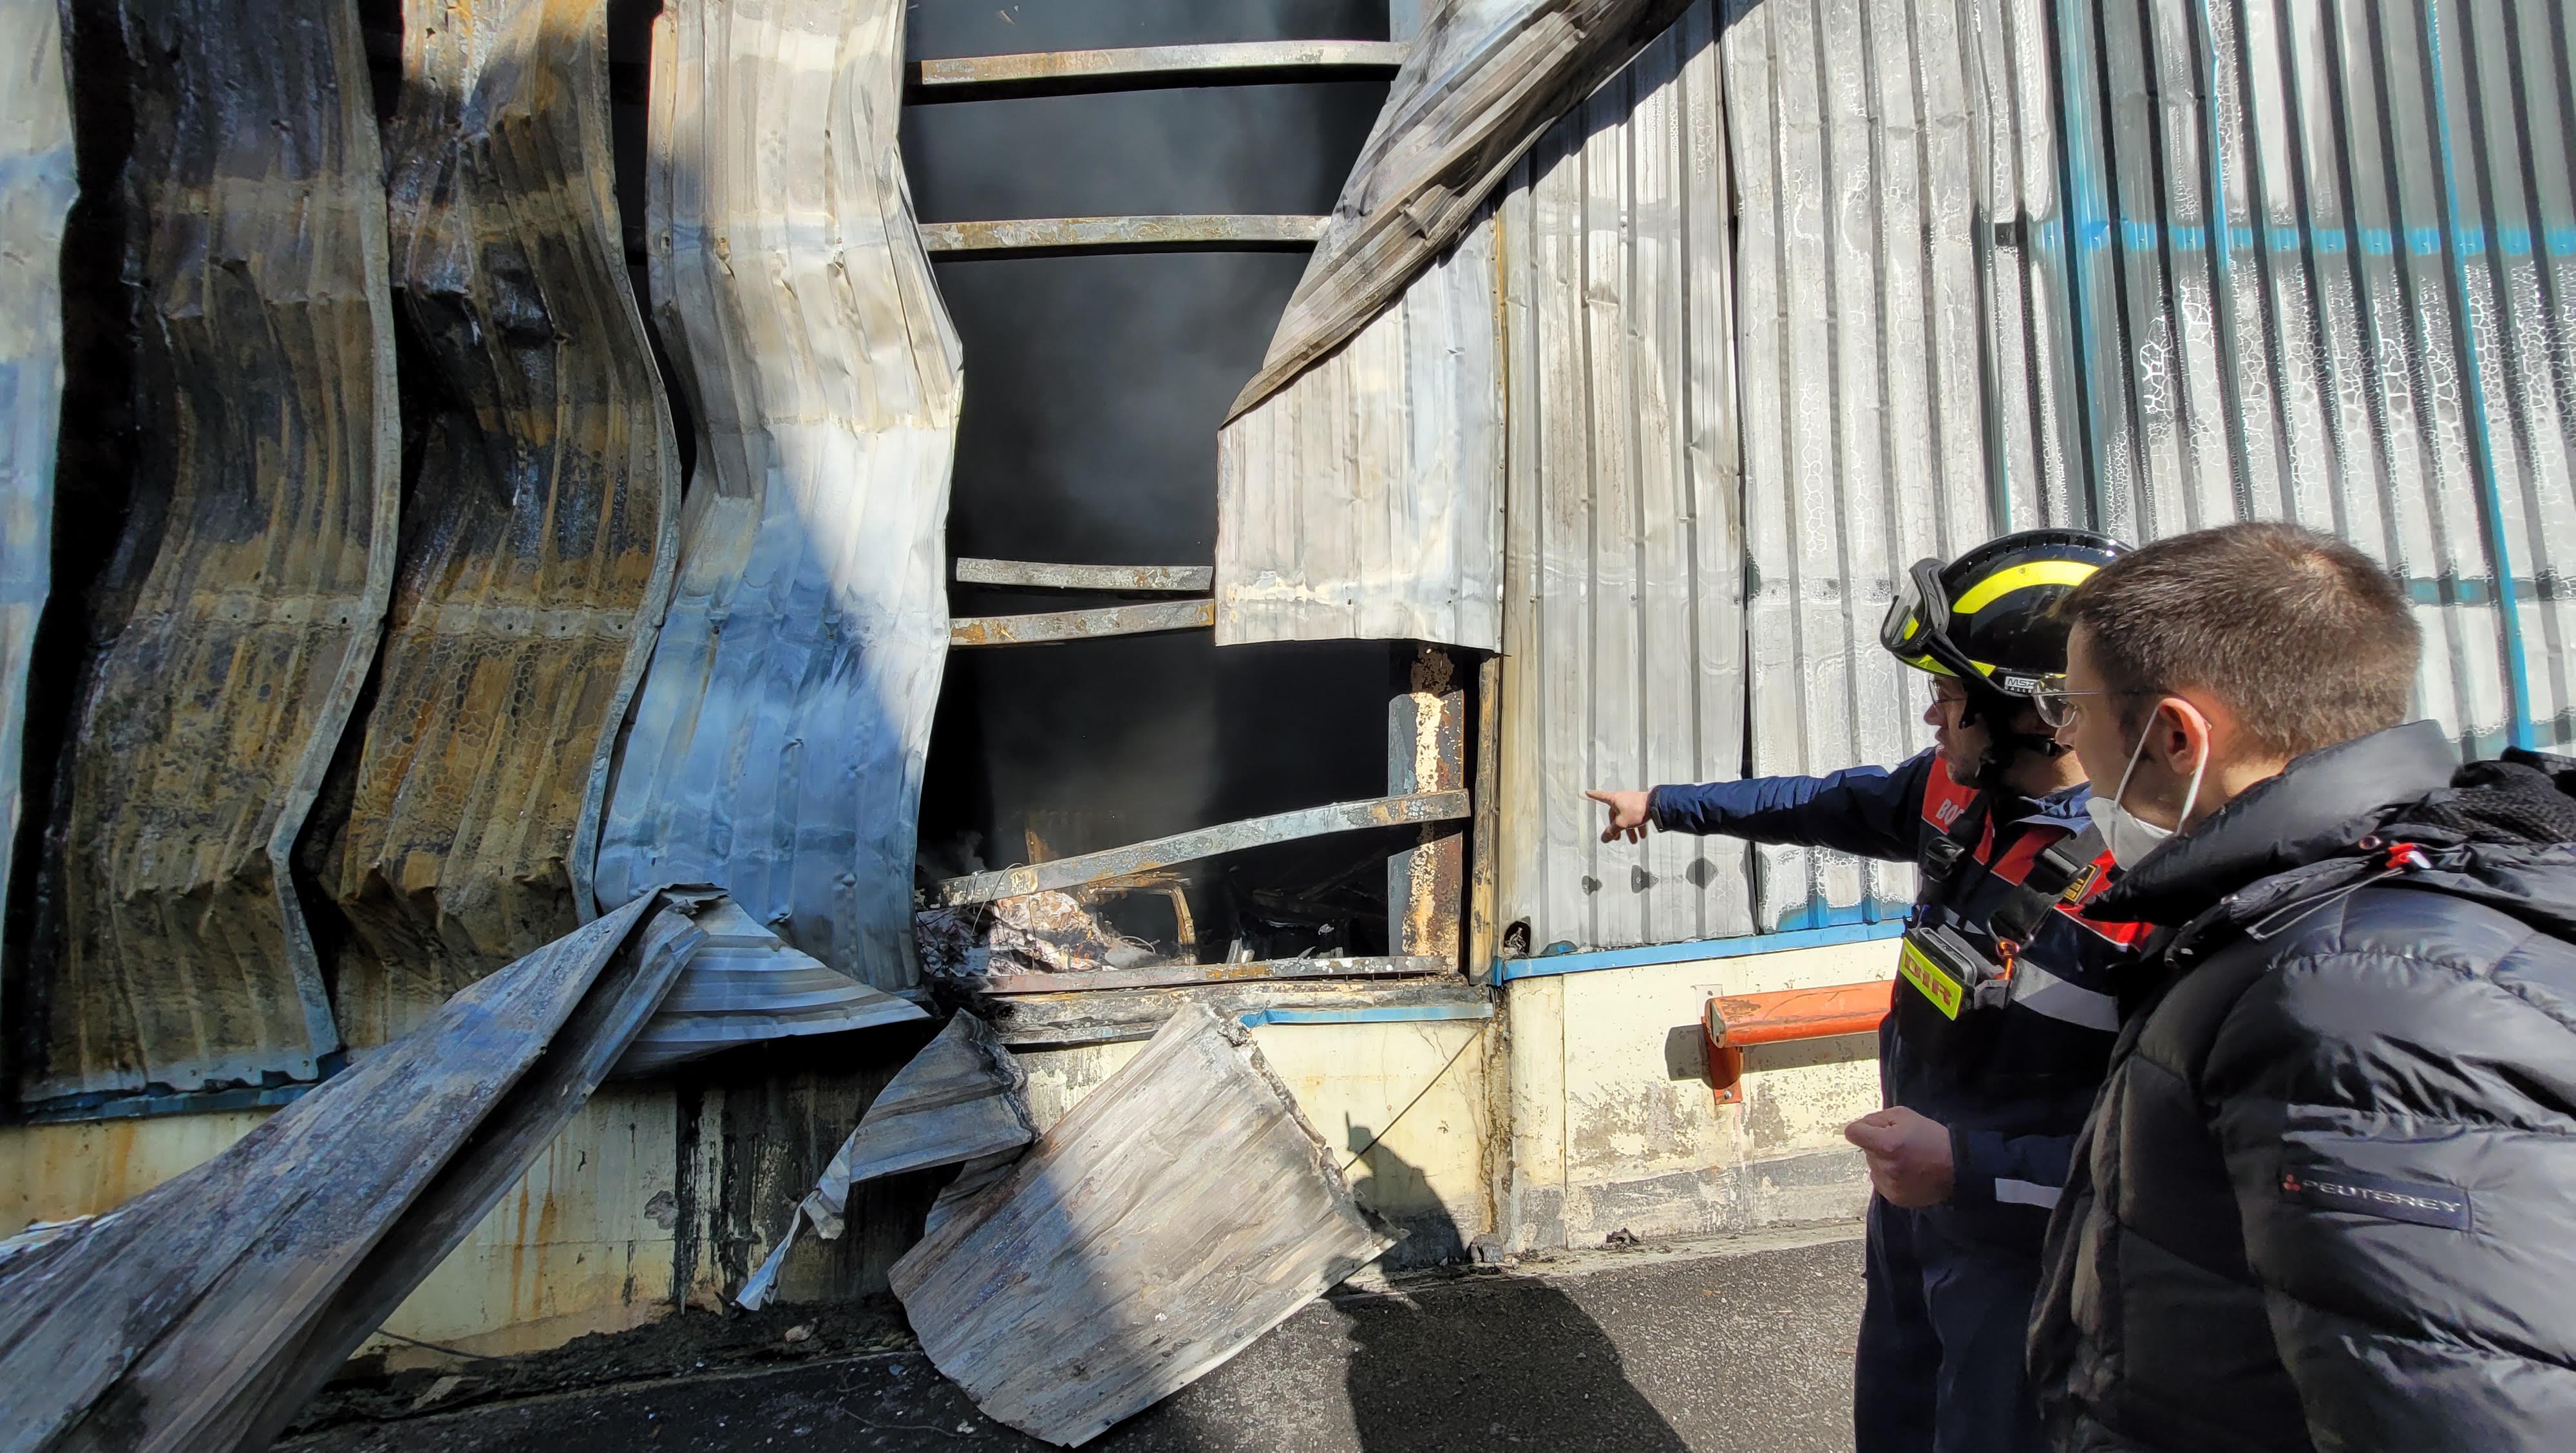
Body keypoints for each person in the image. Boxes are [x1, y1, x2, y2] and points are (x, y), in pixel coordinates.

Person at [1589, 529, 2145, 1453]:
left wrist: (1970, 1169)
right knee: (1894, 1419)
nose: (1932, 719)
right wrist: (1667, 803)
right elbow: (1813, 804)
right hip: (1915, 1206)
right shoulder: (1950, 793)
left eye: (1950, 697)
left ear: (2038, 713)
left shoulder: (2144, 888)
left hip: (2033, 1261)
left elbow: (2160, 1171)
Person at [2027, 520, 2576, 1450]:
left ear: (2173, 733)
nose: (2066, 739)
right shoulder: (2351, 908)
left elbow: (2463, 1408)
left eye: (2072, 707)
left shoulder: (2350, 998)